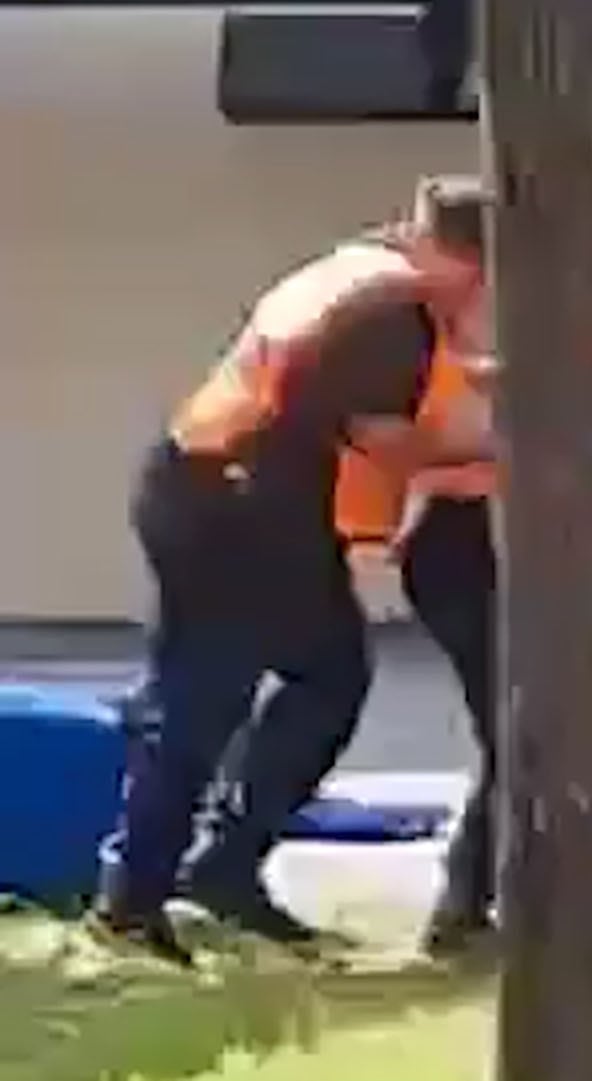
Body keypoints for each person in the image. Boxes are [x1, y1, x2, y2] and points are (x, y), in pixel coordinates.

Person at [92, 176, 496, 966]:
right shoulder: (396, 310)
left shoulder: (357, 272)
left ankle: (207, 870)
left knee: (316, 672)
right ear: (473, 259)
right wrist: (500, 452)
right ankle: (143, 897)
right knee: (212, 698)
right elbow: (384, 435)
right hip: (240, 512)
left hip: (212, 486)